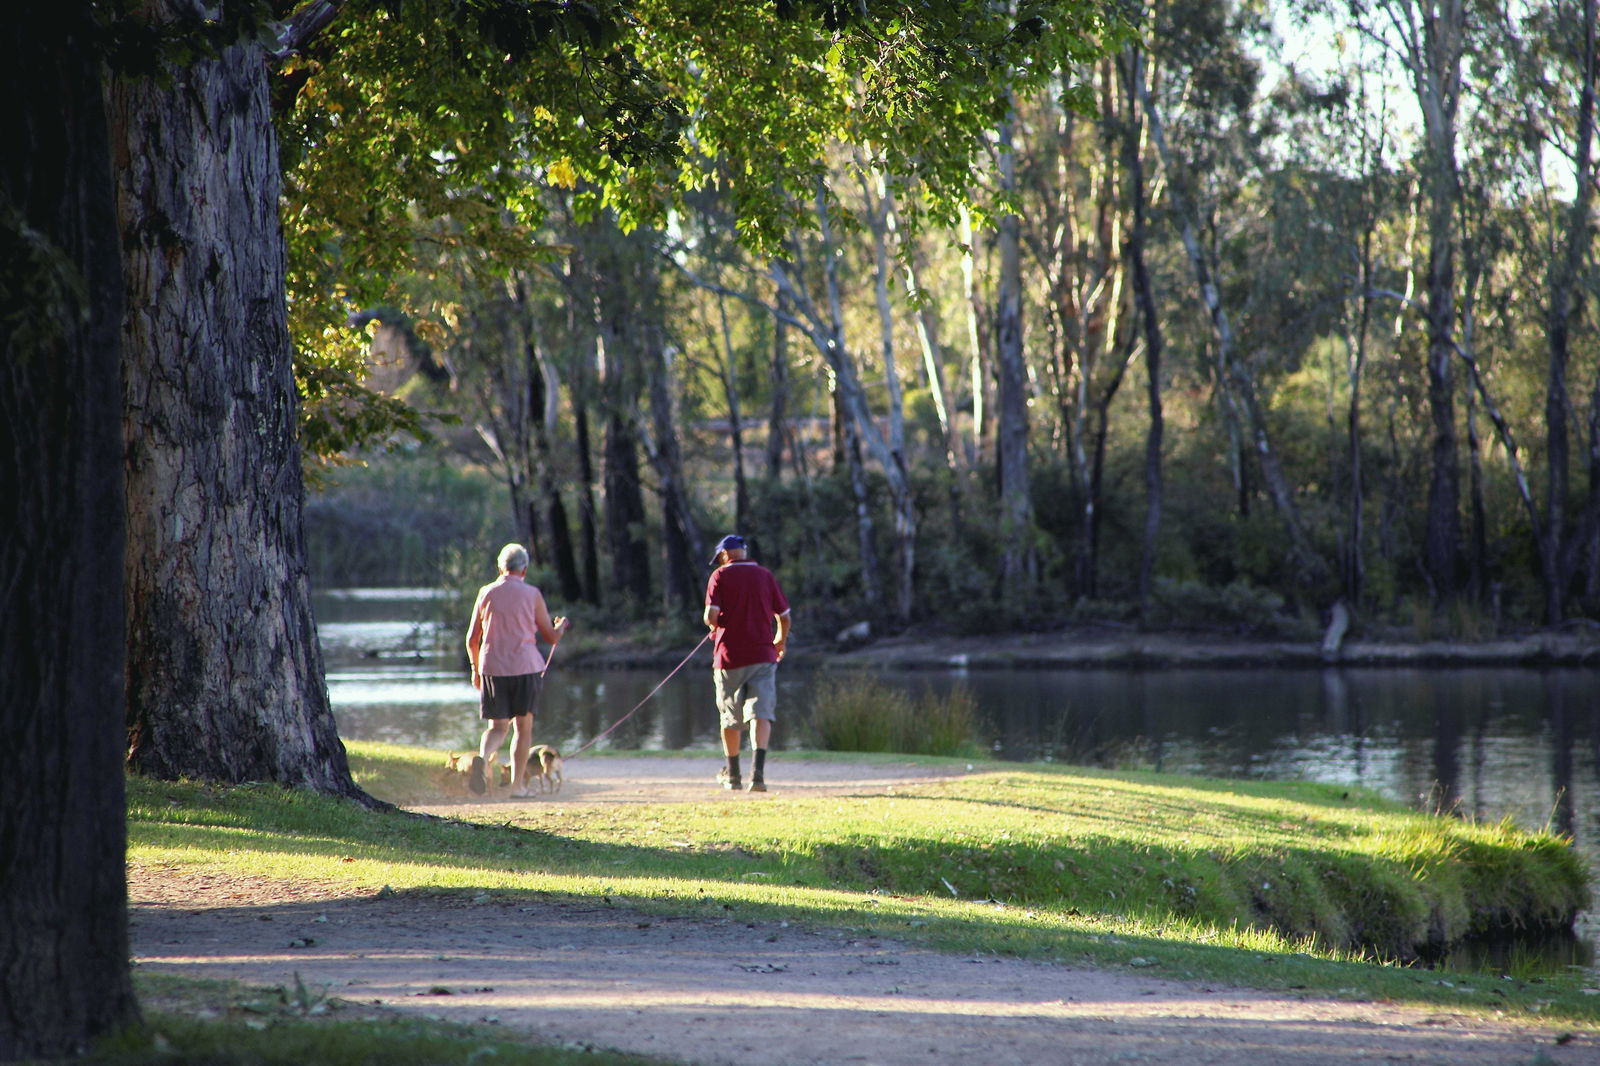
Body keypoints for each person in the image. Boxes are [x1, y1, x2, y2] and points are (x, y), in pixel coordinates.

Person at [465, 543, 569, 798]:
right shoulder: (532, 594)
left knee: (498, 727)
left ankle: (482, 757)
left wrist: (475, 669)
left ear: (500, 567)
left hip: (492, 667)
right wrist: (561, 626)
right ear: (524, 569)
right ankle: (517, 787)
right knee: (523, 728)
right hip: (524, 667)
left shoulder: (485, 593)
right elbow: (550, 637)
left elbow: (472, 639)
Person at [703, 534, 791, 792]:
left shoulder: (719, 576)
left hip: (729, 656)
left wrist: (712, 624)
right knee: (761, 714)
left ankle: (733, 776)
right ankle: (758, 776)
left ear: (723, 555)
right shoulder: (765, 575)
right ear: (744, 551)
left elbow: (712, 615)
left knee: (730, 716)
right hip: (763, 655)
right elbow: (784, 616)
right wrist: (780, 642)